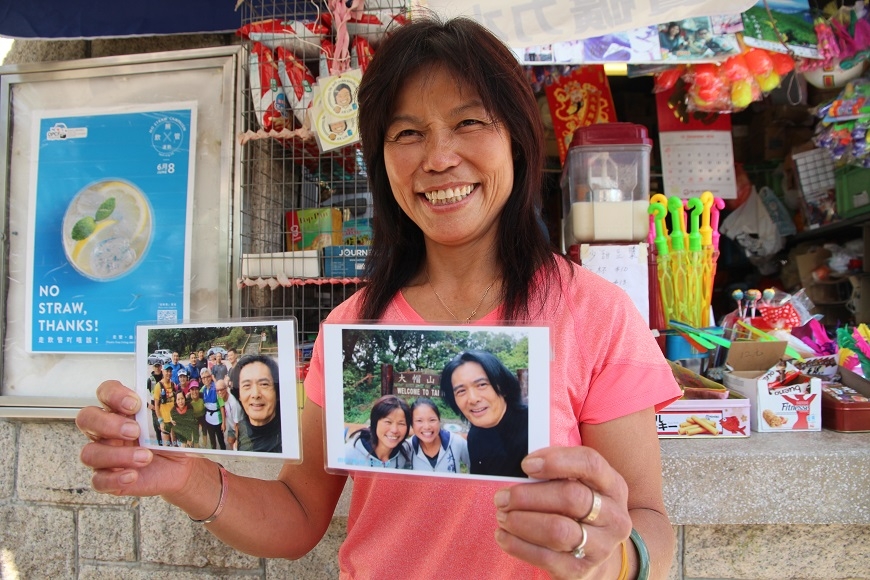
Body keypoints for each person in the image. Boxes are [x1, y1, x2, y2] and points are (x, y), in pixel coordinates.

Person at [77, 16, 681, 579]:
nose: (439, 158)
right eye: (408, 133)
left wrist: (616, 558)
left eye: (470, 123)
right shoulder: (351, 325)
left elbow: (649, 518)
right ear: (382, 160)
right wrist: (184, 476)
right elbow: (297, 512)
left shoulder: (595, 312)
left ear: (517, 140)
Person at [440, 351, 528, 477]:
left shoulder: (534, 426)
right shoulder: (475, 435)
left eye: (482, 385)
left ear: (503, 386)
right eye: (461, 391)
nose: (473, 399)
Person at [344, 395, 412, 469]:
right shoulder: (349, 453)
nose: (394, 430)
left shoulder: (406, 452)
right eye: (388, 422)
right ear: (375, 423)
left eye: (401, 424)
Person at [232, 355, 281, 453]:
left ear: (276, 392)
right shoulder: (243, 427)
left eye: (264, 384)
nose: (255, 394)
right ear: (239, 395)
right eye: (247, 385)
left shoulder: (291, 439)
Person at [409, 397, 469, 473]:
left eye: (432, 420)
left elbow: (477, 464)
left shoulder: (456, 442)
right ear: (412, 424)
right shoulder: (408, 448)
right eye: (419, 421)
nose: (427, 426)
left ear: (439, 420)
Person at [199, 368, 226, 450]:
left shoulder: (216, 388)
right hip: (208, 420)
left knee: (221, 441)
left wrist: (223, 423)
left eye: (207, 376)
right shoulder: (202, 389)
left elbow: (222, 407)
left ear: (211, 377)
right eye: (203, 377)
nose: (206, 379)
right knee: (212, 441)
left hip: (218, 420)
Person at [216, 379, 242, 451]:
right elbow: (222, 407)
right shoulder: (220, 396)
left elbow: (237, 424)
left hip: (240, 427)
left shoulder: (233, 403)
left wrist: (238, 440)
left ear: (226, 389)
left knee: (237, 447)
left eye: (221, 389)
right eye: (217, 390)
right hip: (231, 424)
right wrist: (223, 423)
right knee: (230, 441)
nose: (219, 392)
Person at [146, 361, 164, 446]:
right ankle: (160, 446)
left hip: (164, 403)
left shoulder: (164, 376)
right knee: (157, 428)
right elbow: (141, 393)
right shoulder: (150, 380)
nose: (157, 368)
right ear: (153, 367)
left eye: (158, 366)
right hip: (154, 404)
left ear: (161, 367)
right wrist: (147, 405)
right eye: (155, 366)